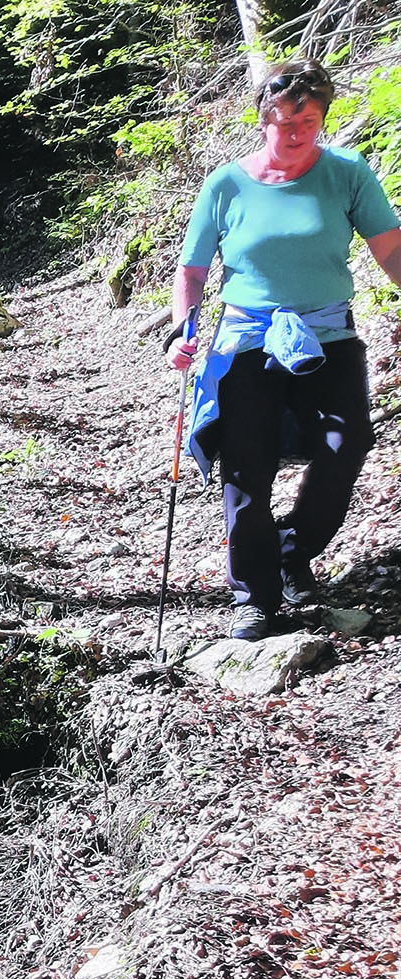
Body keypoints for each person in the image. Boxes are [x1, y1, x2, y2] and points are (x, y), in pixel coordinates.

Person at [170, 61, 401, 640]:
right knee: (247, 467)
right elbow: (192, 269)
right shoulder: (227, 183)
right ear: (263, 117)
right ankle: (255, 598)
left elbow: (391, 250)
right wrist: (183, 327)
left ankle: (291, 551)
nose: (297, 129)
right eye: (285, 117)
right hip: (247, 343)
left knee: (346, 445)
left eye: (310, 117)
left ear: (322, 118)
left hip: (328, 338)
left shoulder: (347, 172)